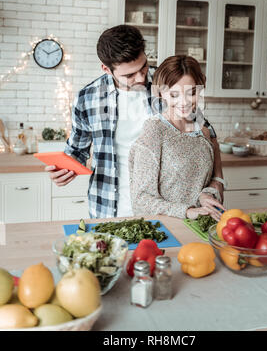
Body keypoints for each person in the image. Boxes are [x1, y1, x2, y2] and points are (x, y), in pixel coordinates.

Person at [45, 25, 225, 219]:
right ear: (106, 69)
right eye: (129, 75)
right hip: (107, 206)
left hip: (164, 209)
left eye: (143, 66)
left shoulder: (166, 81)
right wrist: (63, 170)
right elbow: (77, 151)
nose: (141, 77)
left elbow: (206, 133)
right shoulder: (88, 98)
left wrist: (217, 180)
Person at [128, 55, 226, 221]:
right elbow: (141, 200)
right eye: (174, 95)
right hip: (168, 229)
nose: (184, 102)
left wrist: (206, 196)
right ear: (161, 94)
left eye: (192, 92)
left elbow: (214, 181)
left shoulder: (205, 132)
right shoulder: (154, 131)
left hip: (202, 226)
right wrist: (187, 211)